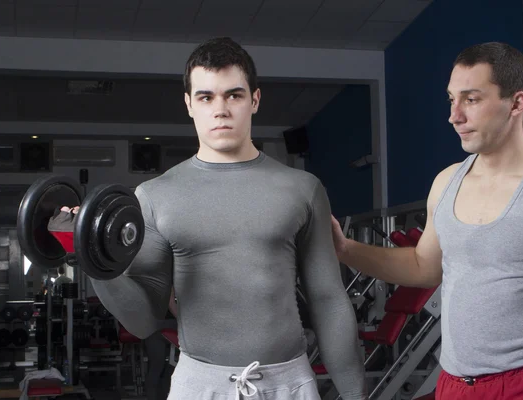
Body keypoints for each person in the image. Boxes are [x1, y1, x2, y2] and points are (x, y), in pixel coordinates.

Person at [66, 37, 366, 399]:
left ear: (254, 100)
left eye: (234, 95)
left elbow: (328, 299)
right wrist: (96, 261)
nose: (220, 109)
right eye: (207, 97)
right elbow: (144, 320)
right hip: (199, 385)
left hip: (288, 383)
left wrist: (354, 395)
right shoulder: (155, 195)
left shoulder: (302, 189)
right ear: (190, 104)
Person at [330, 42, 523, 399]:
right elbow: (423, 266)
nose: (455, 115)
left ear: (516, 103)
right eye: (452, 99)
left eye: (472, 99)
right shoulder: (447, 181)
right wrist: (344, 249)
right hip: (454, 383)